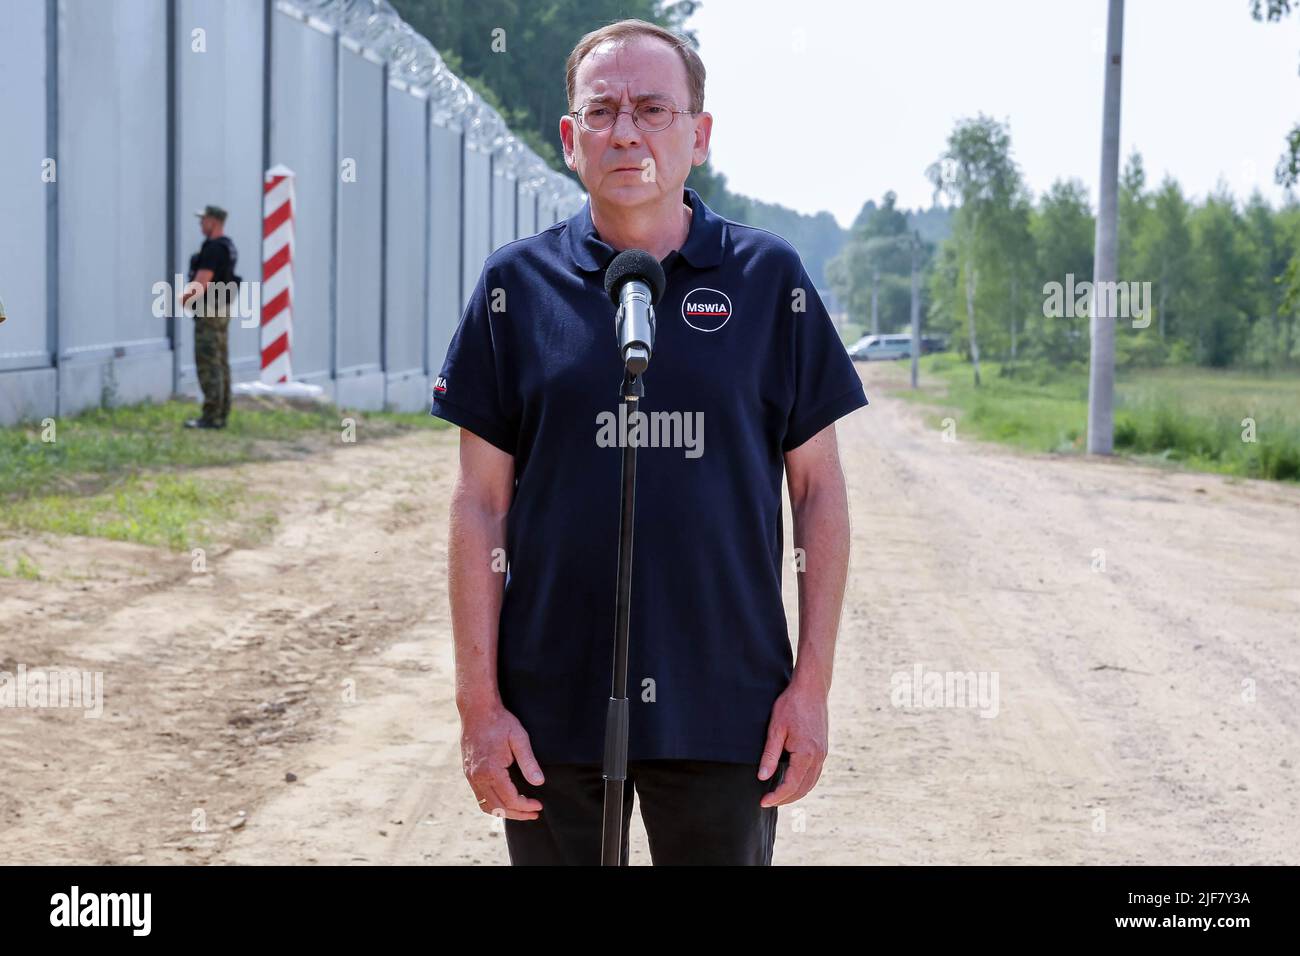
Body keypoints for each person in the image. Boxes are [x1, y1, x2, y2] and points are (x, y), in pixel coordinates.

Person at [429, 18, 868, 865]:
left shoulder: (770, 280)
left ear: (698, 135)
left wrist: (810, 690)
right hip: (550, 710)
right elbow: (480, 505)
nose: (625, 130)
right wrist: (478, 708)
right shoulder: (513, 288)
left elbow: (819, 492)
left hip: (727, 702)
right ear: (569, 138)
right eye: (602, 111)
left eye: (654, 109)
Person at [182, 204, 238, 430]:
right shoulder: (228, 246)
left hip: (209, 310)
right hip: (222, 308)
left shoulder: (214, 248)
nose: (200, 224)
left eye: (203, 220)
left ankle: (211, 416)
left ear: (214, 221)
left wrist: (183, 299)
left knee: (208, 362)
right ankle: (221, 413)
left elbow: (202, 281)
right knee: (220, 361)